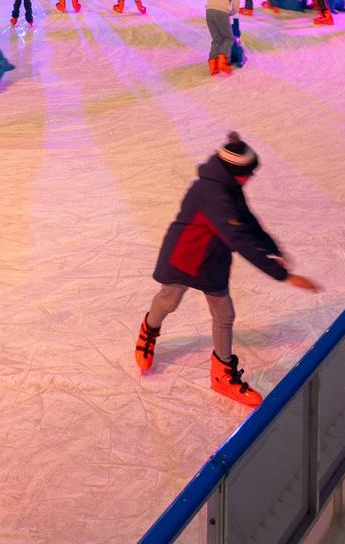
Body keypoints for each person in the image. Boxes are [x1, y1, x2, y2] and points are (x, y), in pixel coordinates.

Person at [134, 133, 320, 405]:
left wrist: (272, 247)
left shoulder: (229, 186)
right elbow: (238, 239)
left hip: (212, 260)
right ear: (236, 171)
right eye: (249, 172)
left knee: (224, 314)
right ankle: (149, 329)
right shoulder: (213, 193)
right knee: (169, 300)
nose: (251, 177)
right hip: (185, 256)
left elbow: (247, 221)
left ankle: (222, 372)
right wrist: (284, 275)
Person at [204, 0, 241, 76]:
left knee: (217, 39)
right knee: (229, 38)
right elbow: (236, 5)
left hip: (209, 12)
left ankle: (212, 65)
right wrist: (231, 13)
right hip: (221, 12)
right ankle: (222, 62)